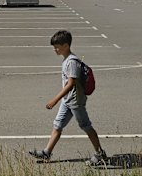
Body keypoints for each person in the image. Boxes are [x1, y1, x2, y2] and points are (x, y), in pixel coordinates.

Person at [29, 30, 107, 166]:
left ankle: (100, 154)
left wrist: (55, 100)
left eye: (57, 47)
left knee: (86, 126)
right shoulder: (66, 60)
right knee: (57, 125)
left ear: (66, 45)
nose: (55, 49)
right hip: (68, 100)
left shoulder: (72, 62)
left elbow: (70, 84)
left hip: (75, 101)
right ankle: (47, 152)